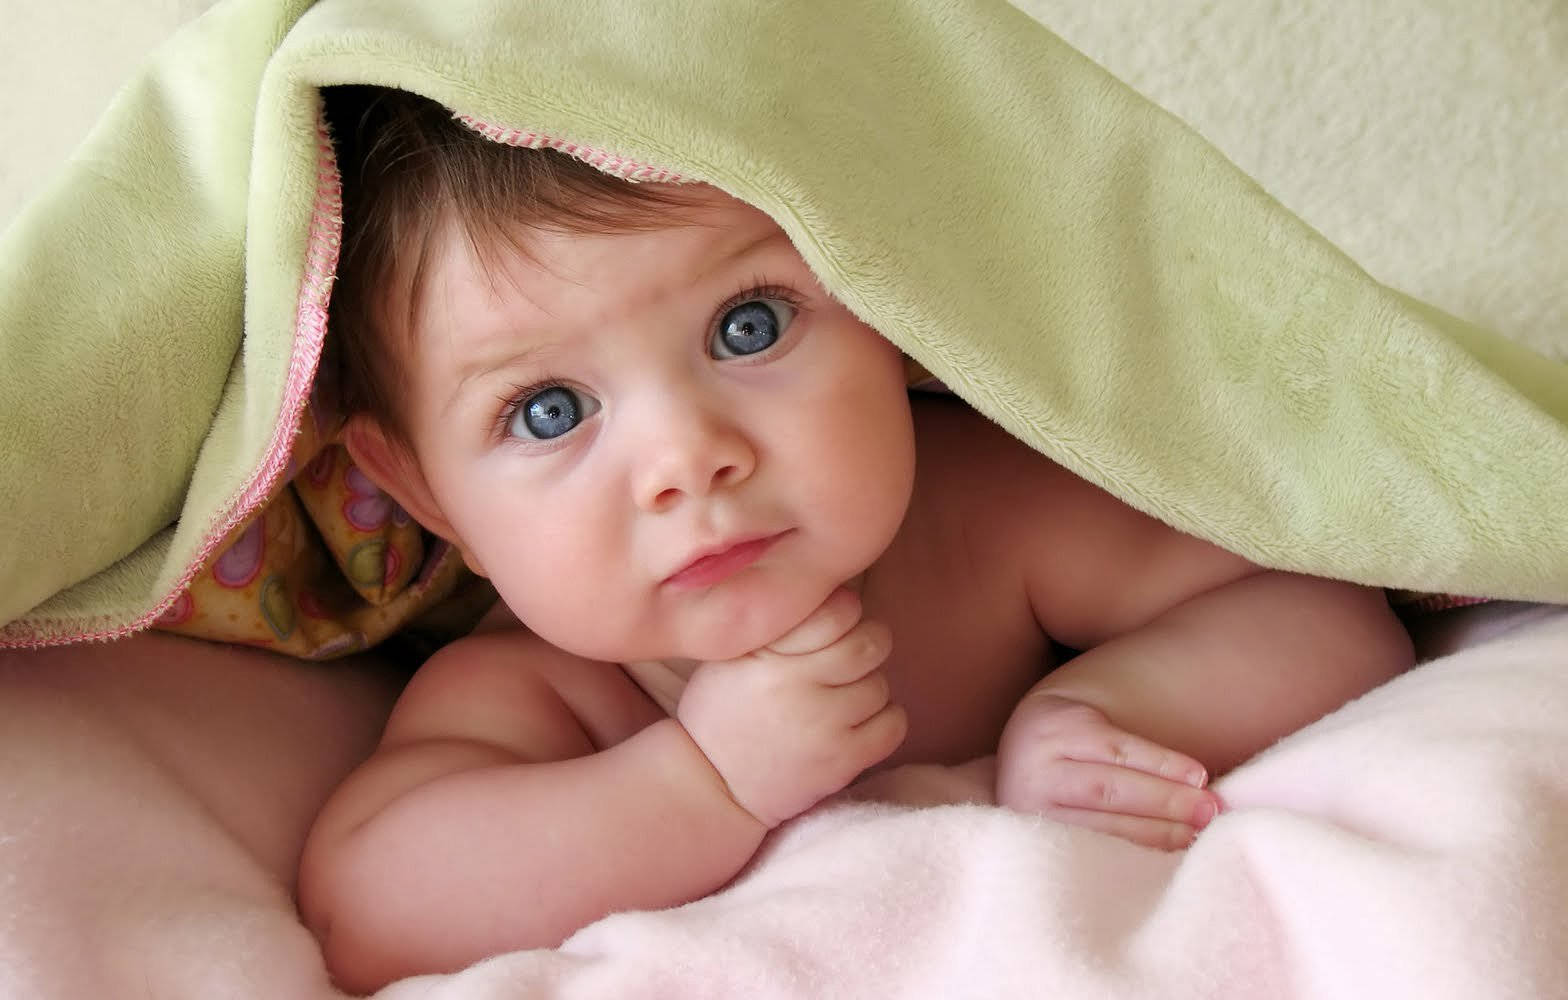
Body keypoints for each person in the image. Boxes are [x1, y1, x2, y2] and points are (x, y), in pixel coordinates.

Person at [297, 86, 1414, 993]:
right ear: (433, 499)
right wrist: (699, 783)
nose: (688, 455)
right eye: (549, 410)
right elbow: (373, 908)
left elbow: (1320, 602)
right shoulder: (543, 692)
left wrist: (1116, 710)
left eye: (749, 325)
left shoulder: (982, 519)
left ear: (888, 303)